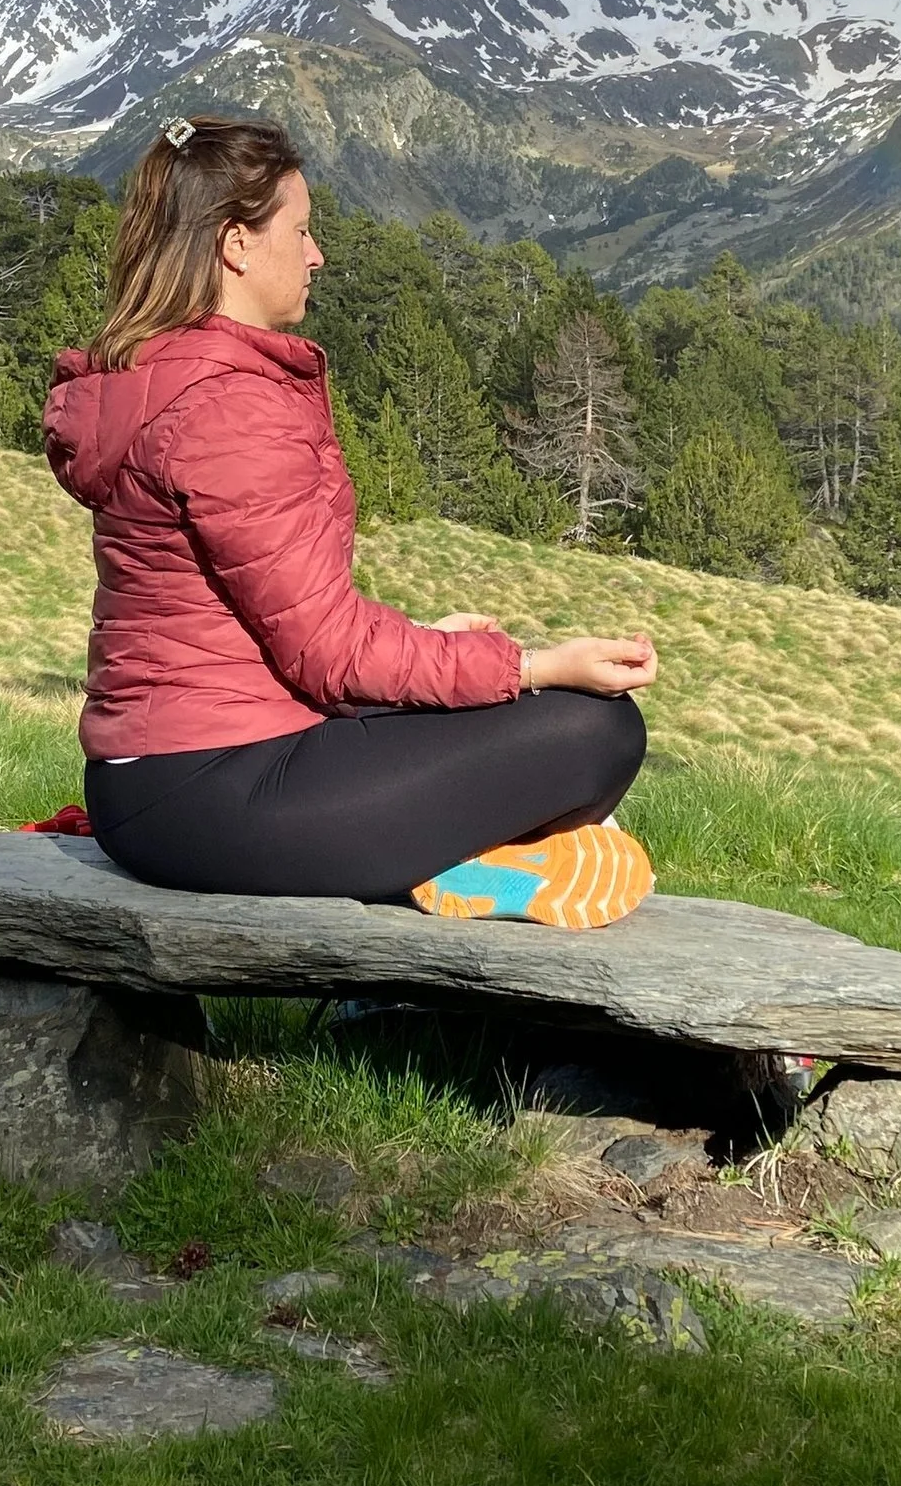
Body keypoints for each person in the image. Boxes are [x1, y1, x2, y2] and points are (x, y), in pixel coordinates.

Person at [43, 116, 657, 921]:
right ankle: (469, 874)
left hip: (168, 773)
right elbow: (329, 649)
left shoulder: (166, 378)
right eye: (299, 230)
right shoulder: (224, 406)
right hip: (210, 790)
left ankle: (472, 863)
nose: (315, 253)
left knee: (499, 714)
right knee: (597, 728)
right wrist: (529, 666)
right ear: (235, 244)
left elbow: (275, 622)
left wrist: (430, 658)